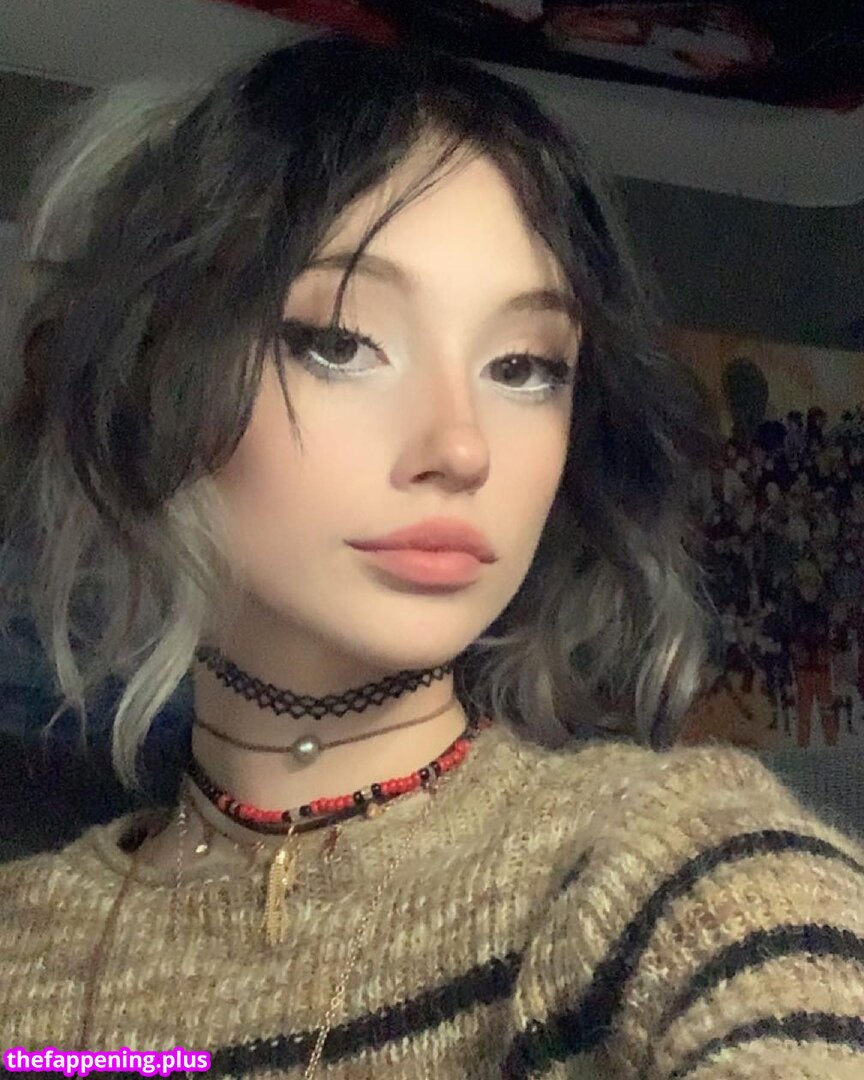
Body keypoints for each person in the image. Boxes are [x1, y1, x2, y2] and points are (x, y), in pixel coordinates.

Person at [0, 33, 863, 1080]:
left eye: (524, 366)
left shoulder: (667, 868)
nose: (461, 448)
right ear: (150, 381)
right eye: (341, 343)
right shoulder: (22, 948)